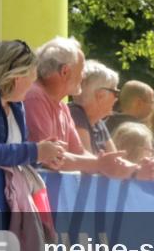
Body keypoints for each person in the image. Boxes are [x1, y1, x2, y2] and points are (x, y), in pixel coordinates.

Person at [24, 37, 134, 178]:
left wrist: (109, 164)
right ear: (65, 72)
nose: (83, 77)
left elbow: (79, 153)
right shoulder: (35, 96)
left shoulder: (62, 108)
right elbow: (50, 158)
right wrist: (99, 164)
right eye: (81, 70)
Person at [0, 40, 65, 169]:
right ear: (17, 77)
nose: (32, 86)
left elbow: (14, 155)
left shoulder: (16, 104)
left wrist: (42, 157)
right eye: (31, 80)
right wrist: (35, 151)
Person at [69, 60, 120, 155]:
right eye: (115, 93)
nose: (116, 99)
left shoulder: (97, 122)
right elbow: (86, 164)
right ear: (100, 95)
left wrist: (139, 169)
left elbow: (116, 159)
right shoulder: (75, 114)